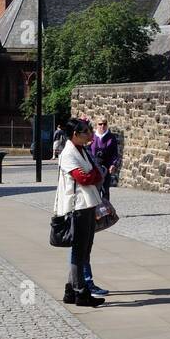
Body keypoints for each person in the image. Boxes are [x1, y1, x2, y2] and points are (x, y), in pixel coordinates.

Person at [54, 118, 104, 307]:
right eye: (85, 132)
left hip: (88, 203)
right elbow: (84, 177)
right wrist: (94, 174)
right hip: (78, 207)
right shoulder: (68, 153)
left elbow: (97, 173)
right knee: (79, 251)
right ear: (75, 134)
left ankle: (70, 290)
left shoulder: (82, 150)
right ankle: (80, 292)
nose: (89, 135)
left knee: (85, 249)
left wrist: (94, 174)